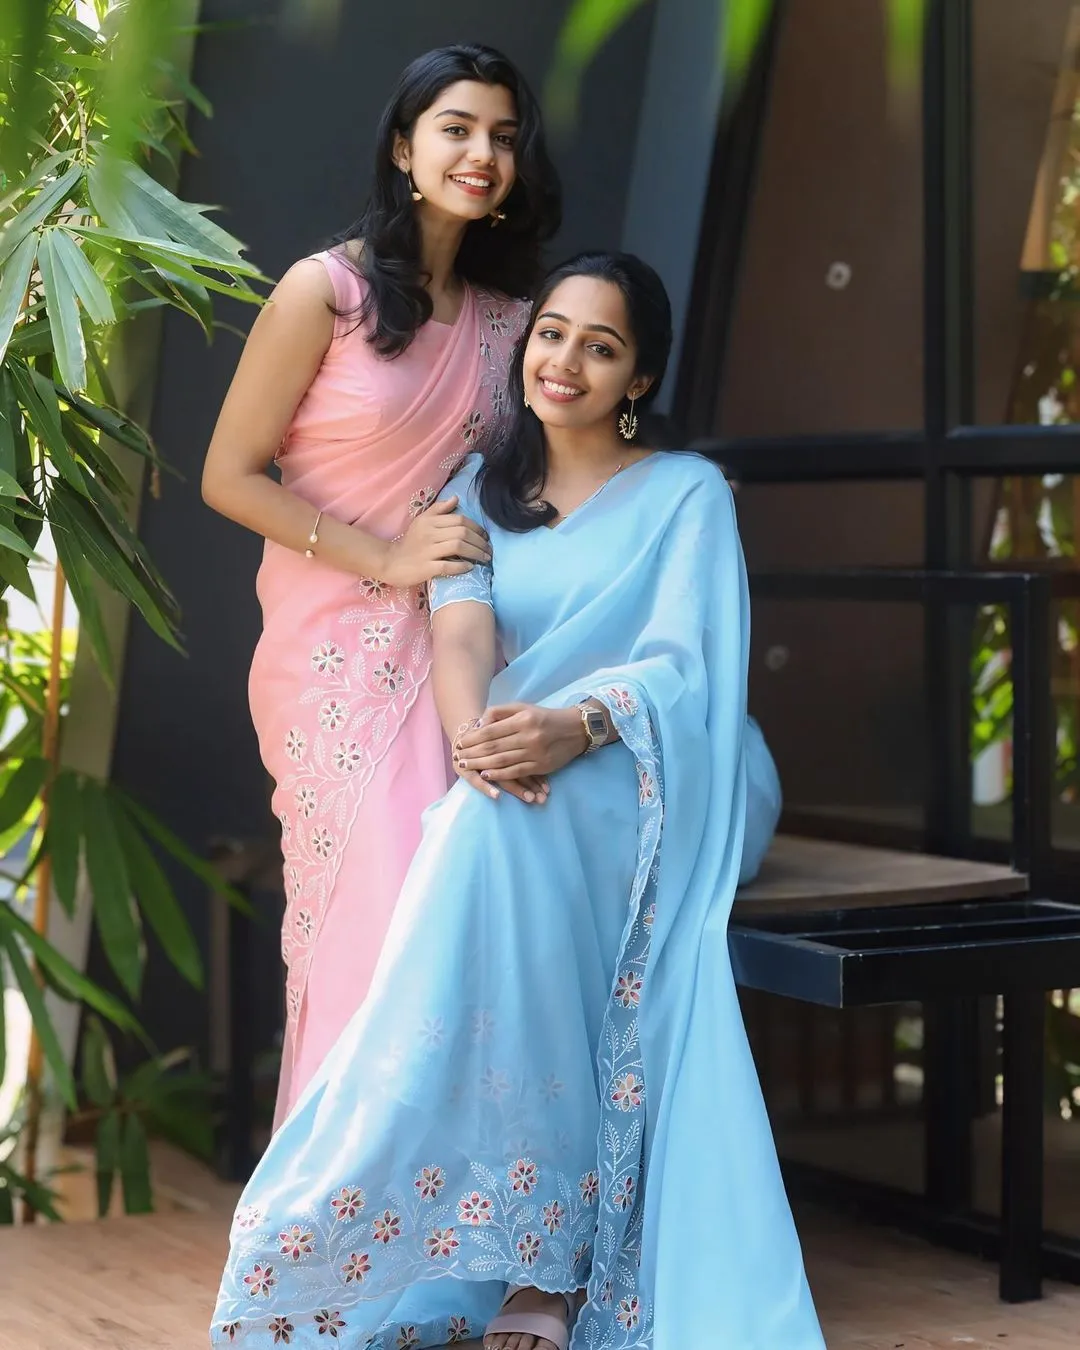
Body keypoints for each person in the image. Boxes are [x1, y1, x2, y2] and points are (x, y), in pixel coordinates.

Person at [211, 253, 822, 1350]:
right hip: (519, 759)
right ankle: (484, 1235)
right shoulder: (475, 491)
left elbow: (688, 668)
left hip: (665, 764)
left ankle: (543, 1261)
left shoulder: (686, 492)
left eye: (602, 346)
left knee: (501, 834)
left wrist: (578, 724)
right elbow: (461, 636)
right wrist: (478, 745)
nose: (566, 361)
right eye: (552, 333)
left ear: (639, 377)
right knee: (488, 822)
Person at [201, 44, 560, 1126]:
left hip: (463, 653)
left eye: (503, 135)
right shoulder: (327, 291)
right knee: (371, 929)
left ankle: (439, 1209)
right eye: (457, 128)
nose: (482, 153)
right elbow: (227, 476)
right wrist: (387, 559)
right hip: (333, 660)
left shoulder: (511, 320)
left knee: (456, 931)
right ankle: (331, 1207)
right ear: (404, 149)